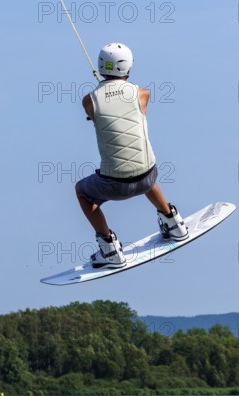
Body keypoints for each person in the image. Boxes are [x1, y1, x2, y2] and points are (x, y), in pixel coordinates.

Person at [76, 42, 188, 269]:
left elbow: (94, 114)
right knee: (143, 167)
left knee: (81, 191)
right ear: (128, 68)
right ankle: (172, 222)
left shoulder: (89, 101)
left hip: (113, 186)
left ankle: (109, 248)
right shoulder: (143, 94)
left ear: (100, 65)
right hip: (148, 178)